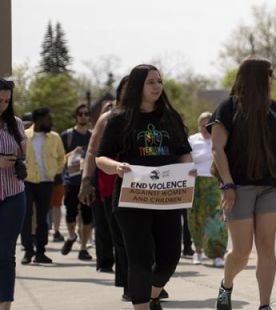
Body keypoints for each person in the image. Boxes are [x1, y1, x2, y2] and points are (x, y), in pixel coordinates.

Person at [96, 65, 193, 310]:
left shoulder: (171, 118)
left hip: (167, 198)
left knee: (169, 258)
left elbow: (184, 154)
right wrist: (117, 167)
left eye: (159, 81)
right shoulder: (119, 119)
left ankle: (152, 296)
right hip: (132, 199)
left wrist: (188, 171)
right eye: (151, 82)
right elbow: (101, 158)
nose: (157, 86)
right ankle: (141, 305)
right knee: (139, 259)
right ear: (138, 85)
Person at [210, 57, 276, 310]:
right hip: (239, 187)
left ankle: (264, 304)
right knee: (242, 252)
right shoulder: (227, 108)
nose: (273, 79)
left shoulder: (275, 109)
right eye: (270, 74)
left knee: (266, 245)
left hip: (271, 186)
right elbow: (217, 149)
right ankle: (226, 284)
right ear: (257, 77)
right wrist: (228, 185)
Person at [80, 79, 131, 298]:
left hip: (146, 185)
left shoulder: (153, 117)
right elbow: (92, 151)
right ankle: (129, 283)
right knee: (121, 234)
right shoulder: (108, 118)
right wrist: (86, 181)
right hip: (112, 183)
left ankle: (151, 280)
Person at [21, 107, 65, 265]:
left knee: (43, 218)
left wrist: (55, 171)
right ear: (37, 120)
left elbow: (61, 158)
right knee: (26, 217)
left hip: (46, 182)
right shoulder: (25, 136)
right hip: (27, 181)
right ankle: (27, 251)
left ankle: (41, 251)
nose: (50, 122)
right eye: (47, 119)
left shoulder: (55, 137)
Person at [187, 111, 227, 267]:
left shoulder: (219, 140)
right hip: (195, 183)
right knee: (195, 218)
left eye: (208, 123)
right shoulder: (192, 140)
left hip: (214, 184)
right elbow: (185, 159)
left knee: (216, 219)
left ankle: (217, 254)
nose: (205, 126)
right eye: (202, 124)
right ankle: (197, 251)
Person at [0, 79, 26, 309]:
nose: (3, 105)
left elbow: (23, 155)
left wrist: (20, 161)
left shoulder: (15, 123)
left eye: (7, 101)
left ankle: (5, 305)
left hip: (14, 194)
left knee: (5, 252)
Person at [60, 104, 93, 261]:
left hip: (87, 183)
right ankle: (72, 236)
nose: (83, 116)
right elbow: (59, 159)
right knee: (70, 214)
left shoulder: (93, 136)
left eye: (86, 114)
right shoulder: (67, 136)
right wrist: (72, 154)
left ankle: (83, 247)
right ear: (76, 116)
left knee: (87, 217)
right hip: (70, 182)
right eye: (80, 114)